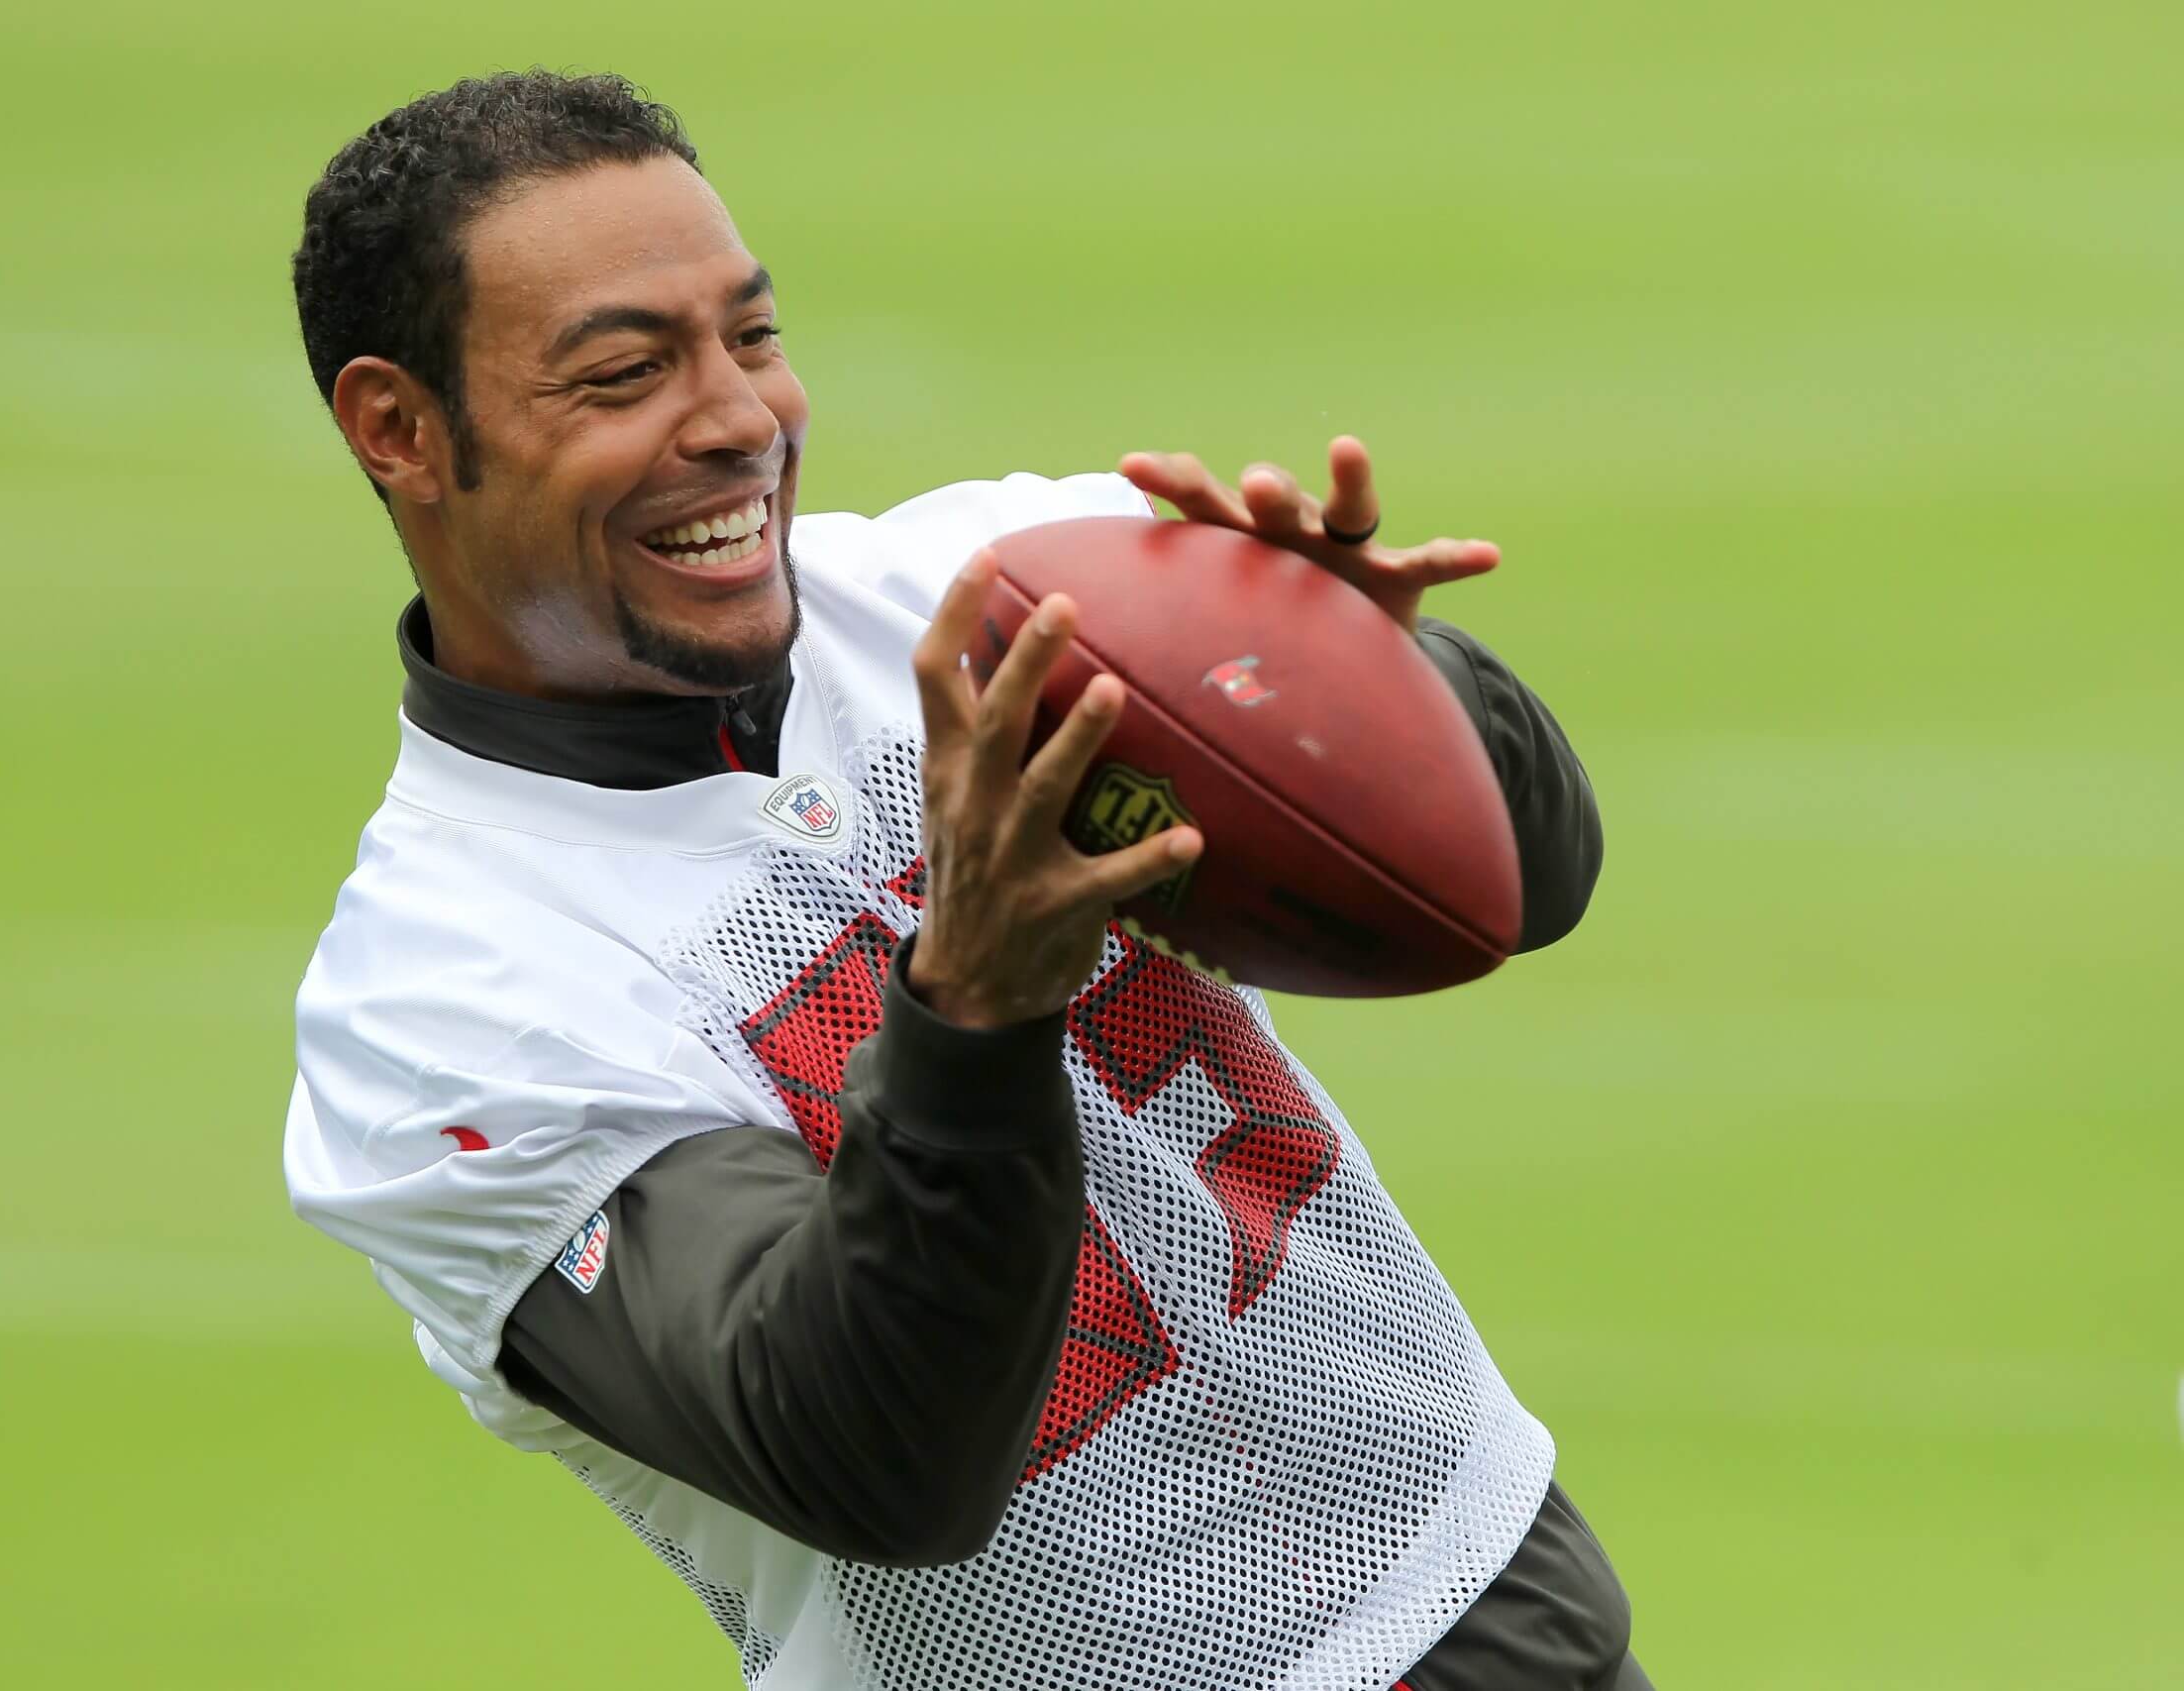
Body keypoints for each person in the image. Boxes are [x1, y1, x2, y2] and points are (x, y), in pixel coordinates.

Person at [282, 69, 1644, 1691]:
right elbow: (876, 1457)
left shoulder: (1004, 591)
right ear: (402, 431)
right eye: (627, 373)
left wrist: (1386, 694)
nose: (735, 419)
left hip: (1506, 1610)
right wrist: (973, 1006)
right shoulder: (437, 1009)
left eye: (755, 339)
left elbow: (1524, 883)